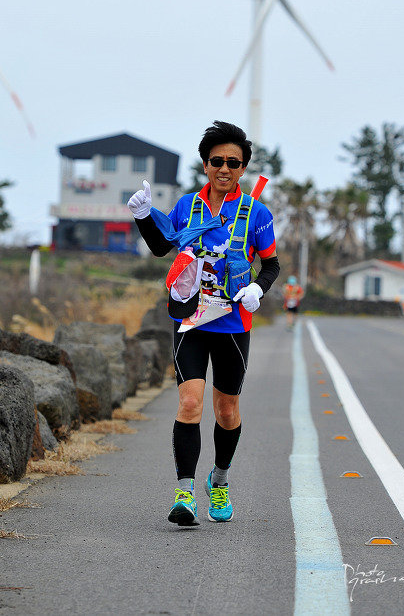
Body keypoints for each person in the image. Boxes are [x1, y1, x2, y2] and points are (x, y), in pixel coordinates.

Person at [127, 121, 279, 526]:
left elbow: (272, 263)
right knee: (190, 402)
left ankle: (221, 481)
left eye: (234, 162)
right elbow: (163, 247)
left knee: (226, 410)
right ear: (206, 165)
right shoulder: (187, 206)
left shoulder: (255, 212)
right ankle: (185, 494)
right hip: (190, 321)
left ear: (244, 168)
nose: (224, 168)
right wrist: (144, 216)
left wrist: (258, 290)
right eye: (217, 161)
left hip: (232, 323)